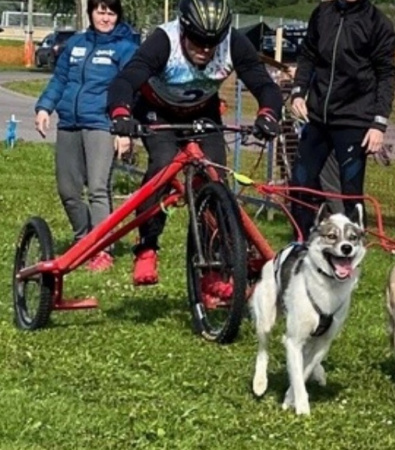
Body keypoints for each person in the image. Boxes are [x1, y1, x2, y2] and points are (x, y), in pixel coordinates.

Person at [107, 0, 283, 286]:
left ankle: (214, 269)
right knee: (163, 163)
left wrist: (268, 114)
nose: (204, 49)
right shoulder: (164, 41)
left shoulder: (233, 43)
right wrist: (121, 113)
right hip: (157, 111)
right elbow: (125, 81)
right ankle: (147, 247)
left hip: (202, 114)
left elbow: (264, 85)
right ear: (184, 30)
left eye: (212, 43)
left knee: (215, 181)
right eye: (198, 41)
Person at [34, 0, 138, 272]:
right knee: (68, 191)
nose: (105, 17)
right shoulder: (75, 44)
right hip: (69, 122)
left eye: (111, 12)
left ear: (118, 15)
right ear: (91, 13)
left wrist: (124, 129)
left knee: (97, 189)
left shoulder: (126, 47)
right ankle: (84, 240)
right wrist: (45, 107)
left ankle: (102, 249)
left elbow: (133, 89)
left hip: (102, 125)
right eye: (100, 11)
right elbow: (59, 80)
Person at [288, 0, 395, 239]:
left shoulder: (378, 23)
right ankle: (300, 241)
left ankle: (354, 246)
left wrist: (379, 124)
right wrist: (298, 91)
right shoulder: (322, 13)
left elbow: (387, 75)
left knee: (350, 191)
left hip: (354, 119)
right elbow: (307, 55)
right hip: (317, 117)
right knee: (300, 184)